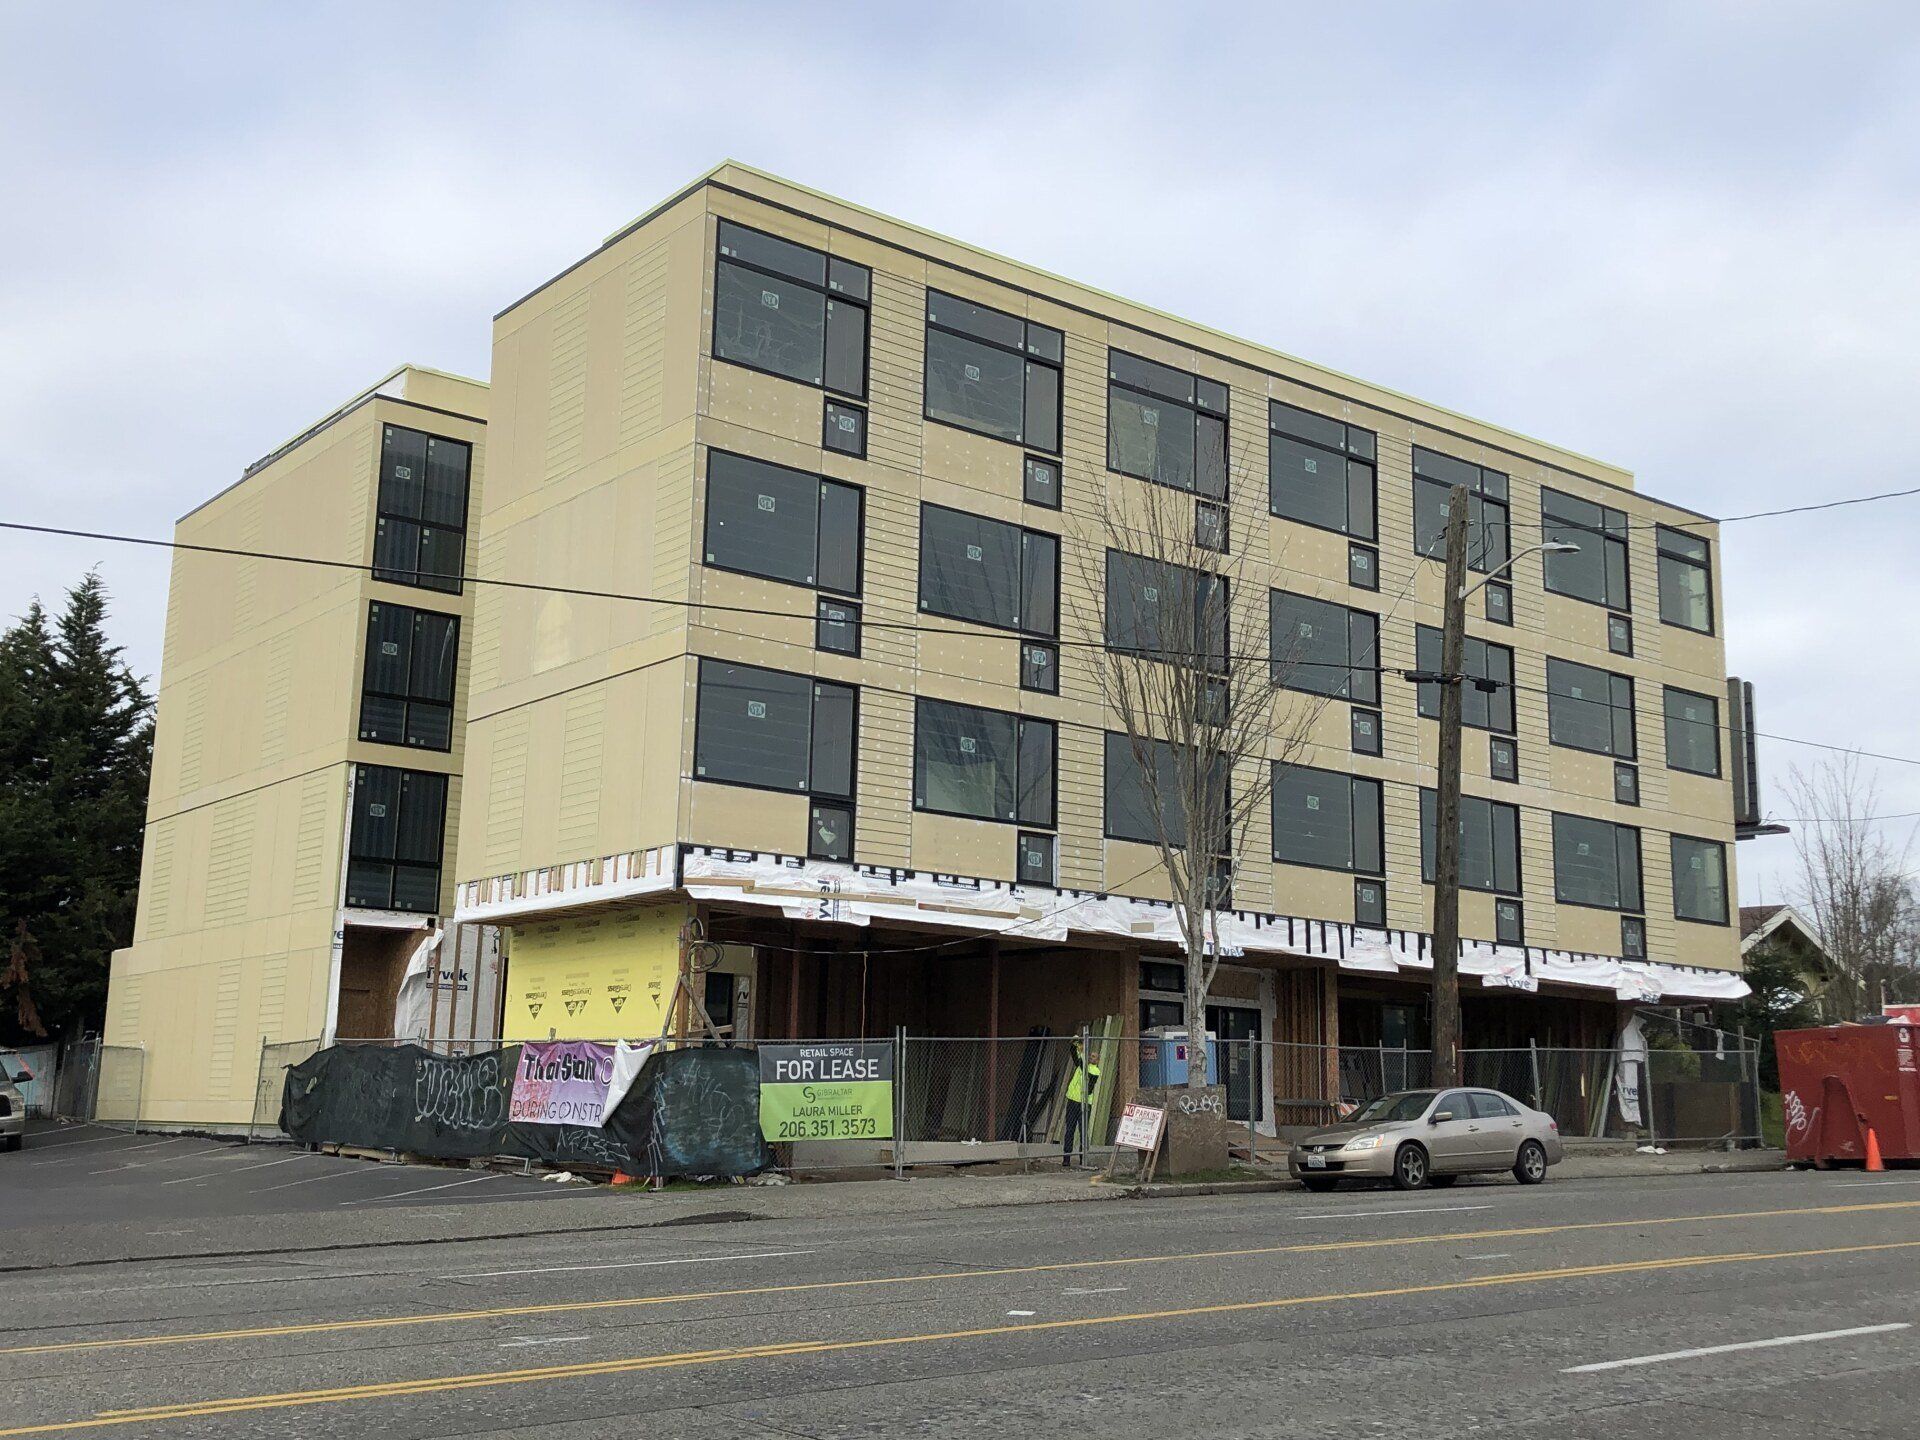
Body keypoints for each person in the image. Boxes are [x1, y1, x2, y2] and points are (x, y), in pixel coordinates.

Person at [1061, 1041, 1100, 1165]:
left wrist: (1082, 1053)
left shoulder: (1095, 1071)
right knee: (1070, 1130)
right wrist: (1075, 1044)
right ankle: (1066, 1158)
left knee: (1083, 1131)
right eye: (1090, 1055)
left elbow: (1087, 1079)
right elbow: (1074, 1054)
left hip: (1084, 1103)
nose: (1091, 1058)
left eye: (1094, 1056)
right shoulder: (1081, 1064)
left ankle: (1083, 1159)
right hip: (1073, 1101)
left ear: (1098, 1060)